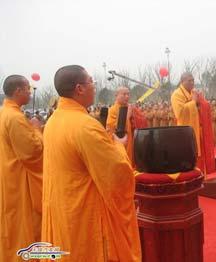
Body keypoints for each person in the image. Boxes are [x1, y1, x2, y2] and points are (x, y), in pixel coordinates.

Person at [42, 65, 141, 261]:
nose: (94, 86)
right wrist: (119, 145)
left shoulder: (54, 120)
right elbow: (116, 172)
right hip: (84, 214)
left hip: (64, 207)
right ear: (79, 89)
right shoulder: (85, 125)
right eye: (91, 82)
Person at [0, 75, 43, 261]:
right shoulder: (15, 117)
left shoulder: (4, 112)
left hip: (8, 175)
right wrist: (36, 130)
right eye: (27, 89)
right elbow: (32, 152)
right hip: (19, 180)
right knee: (23, 224)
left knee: (11, 221)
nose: (29, 93)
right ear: (18, 91)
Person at [171, 72, 215, 174]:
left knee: (199, 155)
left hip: (198, 129)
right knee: (189, 154)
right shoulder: (176, 95)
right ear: (182, 82)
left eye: (193, 80)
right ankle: (191, 178)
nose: (192, 83)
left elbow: (205, 106)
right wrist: (193, 102)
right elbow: (180, 113)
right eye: (189, 81)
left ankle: (201, 177)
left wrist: (201, 102)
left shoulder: (193, 92)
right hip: (186, 132)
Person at [106, 86, 146, 164]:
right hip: (121, 143)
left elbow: (142, 120)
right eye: (124, 94)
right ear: (116, 95)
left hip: (132, 140)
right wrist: (127, 116)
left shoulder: (131, 107)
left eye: (128, 94)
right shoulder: (113, 110)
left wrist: (135, 116)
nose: (127, 96)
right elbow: (112, 129)